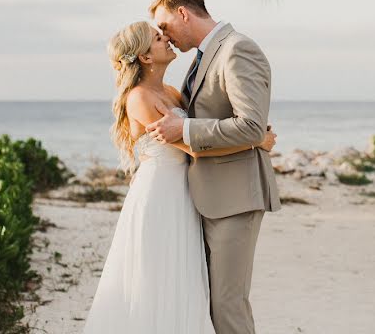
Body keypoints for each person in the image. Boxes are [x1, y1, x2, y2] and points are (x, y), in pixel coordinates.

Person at [82, 20, 276, 333]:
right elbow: (194, 149)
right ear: (145, 57)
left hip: (184, 194)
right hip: (159, 195)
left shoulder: (172, 92)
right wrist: (255, 141)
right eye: (158, 39)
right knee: (157, 278)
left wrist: (248, 125)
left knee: (182, 278)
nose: (167, 40)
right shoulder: (140, 98)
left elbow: (206, 129)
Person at [147, 0, 280, 334]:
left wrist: (186, 131)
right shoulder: (204, 57)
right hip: (209, 199)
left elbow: (250, 125)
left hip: (235, 197)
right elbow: (244, 125)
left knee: (227, 306)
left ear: (183, 13)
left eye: (165, 27)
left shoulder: (237, 49)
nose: (165, 36)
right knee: (209, 303)